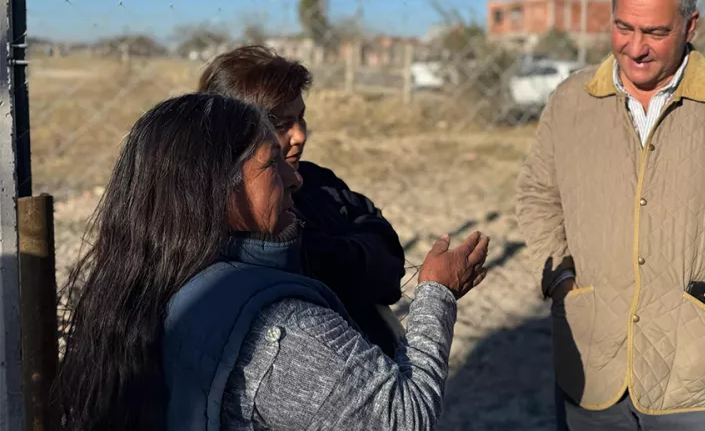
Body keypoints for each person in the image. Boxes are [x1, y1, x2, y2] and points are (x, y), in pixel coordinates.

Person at [52, 93, 489, 430]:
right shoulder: (276, 327)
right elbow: (403, 418)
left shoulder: (145, 279)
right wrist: (438, 292)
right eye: (270, 165)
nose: (295, 178)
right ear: (212, 190)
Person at [516, 0, 705, 430]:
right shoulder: (571, 101)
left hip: (697, 374)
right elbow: (537, 196)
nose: (635, 48)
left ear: (691, 25)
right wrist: (560, 281)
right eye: (623, 28)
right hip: (591, 365)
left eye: (656, 32)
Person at [198, 45, 406, 357]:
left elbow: (387, 258)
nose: (300, 135)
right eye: (281, 124)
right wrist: (347, 251)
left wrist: (344, 254)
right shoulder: (226, 222)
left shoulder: (317, 182)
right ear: (234, 134)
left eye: (301, 118)